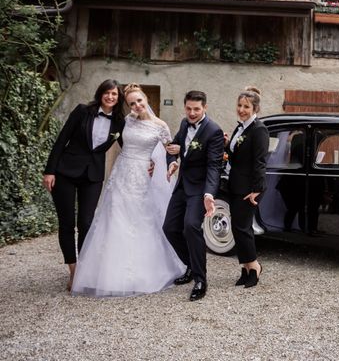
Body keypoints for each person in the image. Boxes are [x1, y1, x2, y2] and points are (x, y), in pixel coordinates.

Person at [71, 84, 185, 297]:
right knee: (112, 217)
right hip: (121, 173)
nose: (137, 105)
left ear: (145, 99)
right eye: (132, 103)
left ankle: (139, 272)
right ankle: (105, 272)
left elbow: (170, 150)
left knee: (138, 219)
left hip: (141, 176)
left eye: (139, 100)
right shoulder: (126, 121)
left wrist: (173, 160)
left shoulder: (160, 125)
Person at [43, 79, 125, 290]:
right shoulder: (82, 111)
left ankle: (86, 269)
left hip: (93, 175)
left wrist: (149, 160)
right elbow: (62, 140)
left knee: (87, 223)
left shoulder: (119, 122)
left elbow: (129, 145)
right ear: (100, 93)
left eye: (114, 94)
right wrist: (50, 171)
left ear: (119, 98)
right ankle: (74, 272)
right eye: (107, 93)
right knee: (67, 223)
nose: (110, 97)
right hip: (66, 172)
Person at [163, 90, 225, 301]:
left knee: (190, 226)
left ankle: (200, 279)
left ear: (205, 108)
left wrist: (209, 194)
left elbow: (214, 166)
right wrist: (172, 162)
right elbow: (173, 147)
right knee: (169, 228)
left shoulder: (214, 131)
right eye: (188, 108)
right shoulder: (183, 123)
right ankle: (190, 265)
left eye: (196, 109)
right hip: (182, 186)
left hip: (199, 189)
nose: (192, 113)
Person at [225, 86, 269, 288]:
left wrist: (257, 189)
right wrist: (228, 145)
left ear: (255, 108)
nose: (241, 109)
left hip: (250, 189)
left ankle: (255, 267)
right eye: (239, 105)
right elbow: (236, 157)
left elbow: (260, 161)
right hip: (236, 185)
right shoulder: (240, 127)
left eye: (246, 106)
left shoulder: (259, 130)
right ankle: (244, 267)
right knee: (237, 228)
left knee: (243, 228)